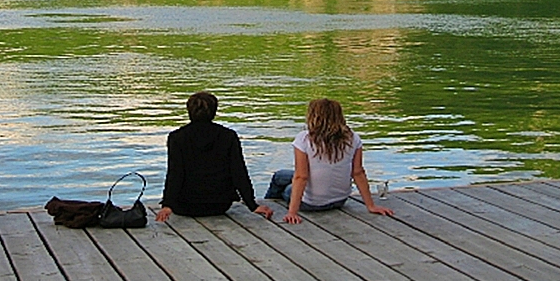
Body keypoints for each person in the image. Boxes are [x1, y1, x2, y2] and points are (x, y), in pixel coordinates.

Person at [265, 98, 393, 224]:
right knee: (281, 175)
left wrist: (292, 212)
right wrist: (371, 206)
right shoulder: (353, 138)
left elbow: (301, 177)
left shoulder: (304, 139)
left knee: (284, 186)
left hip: (310, 203)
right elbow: (358, 172)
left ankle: (266, 205)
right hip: (340, 200)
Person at [155, 92, 274, 221]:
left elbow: (175, 173)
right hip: (219, 205)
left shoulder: (177, 137)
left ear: (189, 111)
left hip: (184, 206)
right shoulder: (228, 136)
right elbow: (239, 172)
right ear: (214, 111)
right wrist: (252, 205)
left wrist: (168, 204)